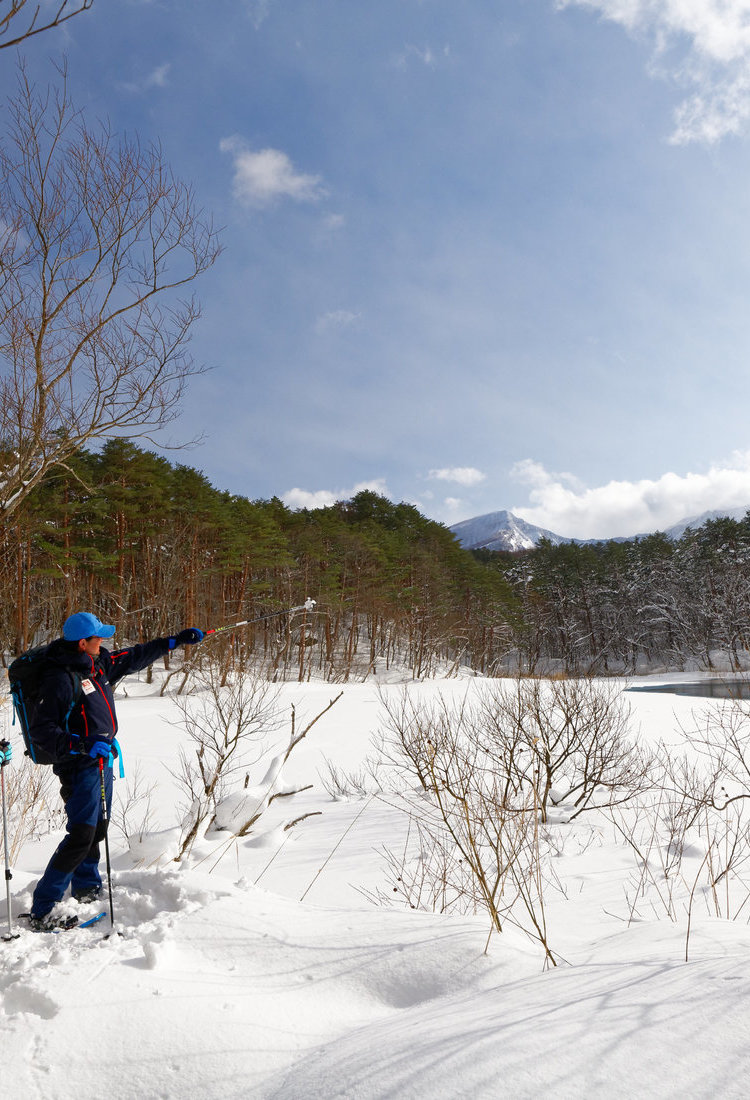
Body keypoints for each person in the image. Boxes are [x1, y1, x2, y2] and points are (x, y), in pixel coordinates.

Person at [27, 611, 203, 929]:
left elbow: (134, 656)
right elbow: (42, 730)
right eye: (99, 638)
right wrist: (82, 745)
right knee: (81, 833)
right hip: (79, 765)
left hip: (102, 762)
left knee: (96, 827)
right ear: (83, 643)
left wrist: (174, 640)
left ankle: (86, 887)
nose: (103, 642)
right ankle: (43, 907)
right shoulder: (60, 678)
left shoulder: (99, 663)